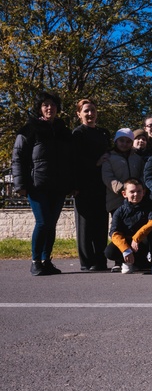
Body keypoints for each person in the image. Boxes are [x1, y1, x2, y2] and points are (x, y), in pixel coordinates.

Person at [12, 91, 73, 276]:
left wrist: (71, 184)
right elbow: (18, 157)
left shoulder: (63, 131)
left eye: (53, 105)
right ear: (40, 108)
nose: (49, 108)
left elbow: (71, 160)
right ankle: (35, 261)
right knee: (43, 222)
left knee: (52, 223)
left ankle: (47, 261)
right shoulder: (29, 130)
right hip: (36, 185)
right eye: (46, 104)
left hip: (58, 186)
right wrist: (19, 185)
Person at [71, 98, 111, 271]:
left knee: (101, 223)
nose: (90, 114)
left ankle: (100, 260)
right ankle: (87, 262)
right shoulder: (77, 134)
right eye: (86, 111)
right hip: (84, 185)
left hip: (101, 185)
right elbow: (74, 160)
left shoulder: (104, 133)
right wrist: (95, 163)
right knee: (85, 225)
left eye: (92, 110)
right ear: (79, 114)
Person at [105, 178, 152, 275]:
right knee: (110, 251)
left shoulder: (149, 207)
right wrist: (126, 250)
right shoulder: (119, 211)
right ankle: (127, 262)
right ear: (124, 194)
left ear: (144, 192)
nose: (136, 194)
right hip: (129, 246)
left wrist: (137, 237)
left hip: (143, 243)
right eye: (132, 192)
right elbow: (114, 233)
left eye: (139, 191)